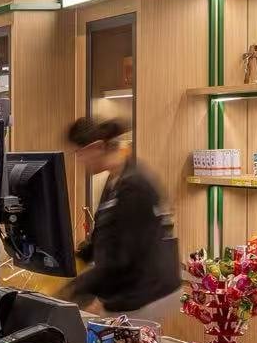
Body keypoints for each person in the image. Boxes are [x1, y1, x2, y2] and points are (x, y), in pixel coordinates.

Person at [61, 115, 180, 316]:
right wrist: (70, 261)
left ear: (97, 147)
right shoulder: (115, 180)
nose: (79, 160)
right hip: (131, 284)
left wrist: (74, 290)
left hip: (148, 292)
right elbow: (102, 237)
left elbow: (122, 258)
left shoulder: (134, 187)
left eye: (79, 153)